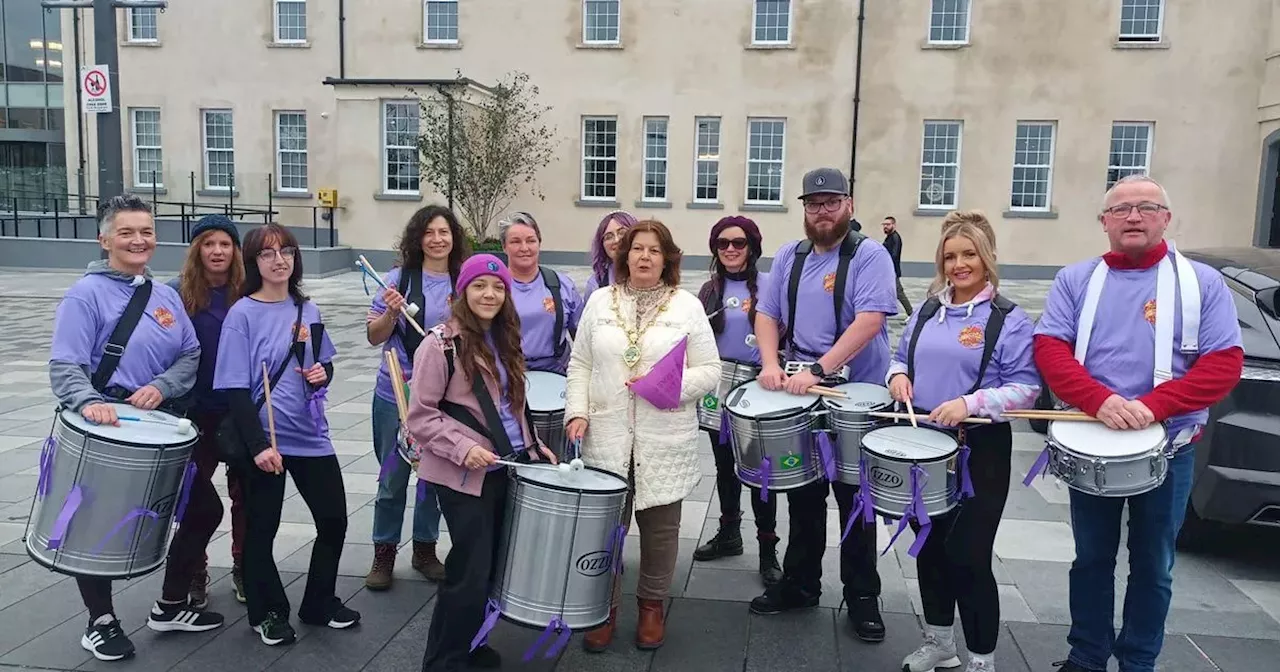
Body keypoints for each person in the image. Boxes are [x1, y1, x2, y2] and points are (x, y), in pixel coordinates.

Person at [1033, 174, 1243, 672]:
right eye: (1121, 209)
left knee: (1154, 566)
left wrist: (1155, 406)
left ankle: (1138, 660)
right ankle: (1086, 654)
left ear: (1166, 219)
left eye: (1147, 207)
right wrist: (1099, 400)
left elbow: (1224, 362)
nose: (1133, 216)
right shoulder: (1076, 279)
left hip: (1169, 446)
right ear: (1104, 222)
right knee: (1090, 559)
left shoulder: (1202, 283)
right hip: (1092, 441)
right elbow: (1050, 348)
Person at [48, 195, 225, 662]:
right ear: (104, 239)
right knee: (96, 525)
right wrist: (89, 401)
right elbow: (64, 365)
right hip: (105, 424)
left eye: (145, 231)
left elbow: (190, 354)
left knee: (204, 510)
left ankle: (170, 605)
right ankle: (100, 622)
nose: (138, 240)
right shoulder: (84, 295)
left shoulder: (164, 295)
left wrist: (162, 386)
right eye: (126, 232)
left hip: (158, 423)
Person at [888, 212, 1041, 672]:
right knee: (930, 548)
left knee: (970, 556)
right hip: (923, 446)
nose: (959, 264)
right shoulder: (928, 308)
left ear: (987, 256)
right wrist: (897, 377)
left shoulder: (1009, 319)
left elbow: (1025, 387)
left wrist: (970, 402)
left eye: (969, 254)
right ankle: (940, 643)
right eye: (950, 255)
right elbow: (899, 356)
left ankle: (981, 659)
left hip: (980, 450)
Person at [751, 167, 899, 643]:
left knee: (857, 499)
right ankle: (800, 584)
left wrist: (819, 370)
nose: (822, 212)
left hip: (857, 392)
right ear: (804, 209)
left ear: (849, 205)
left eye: (831, 202)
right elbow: (767, 313)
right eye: (814, 204)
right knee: (803, 490)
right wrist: (771, 362)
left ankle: (861, 596)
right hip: (801, 392)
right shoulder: (788, 257)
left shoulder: (870, 256)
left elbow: (870, 321)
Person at [566, 219, 720, 652]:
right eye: (637, 249)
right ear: (624, 255)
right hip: (608, 433)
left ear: (666, 258)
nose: (645, 257)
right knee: (605, 529)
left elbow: (710, 370)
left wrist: (667, 387)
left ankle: (651, 606)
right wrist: (576, 411)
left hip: (664, 435)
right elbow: (580, 364)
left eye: (654, 250)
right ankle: (604, 608)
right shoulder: (599, 302)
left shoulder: (687, 306)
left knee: (660, 531)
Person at [407, 254, 558, 671]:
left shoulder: (507, 337)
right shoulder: (439, 344)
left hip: (506, 466)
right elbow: (420, 416)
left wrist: (533, 447)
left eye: (498, 287)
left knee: (492, 567)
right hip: (461, 475)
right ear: (463, 292)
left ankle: (473, 645)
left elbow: (512, 407)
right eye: (479, 286)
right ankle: (444, 661)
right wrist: (462, 449)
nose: (489, 294)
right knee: (468, 573)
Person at [214, 224, 360, 647]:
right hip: (266, 440)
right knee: (262, 529)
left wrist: (321, 374)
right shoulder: (241, 315)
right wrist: (258, 447)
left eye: (287, 252)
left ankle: (319, 602)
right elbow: (235, 389)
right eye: (267, 253)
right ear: (253, 262)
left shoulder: (306, 309)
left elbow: (323, 362)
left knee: (333, 521)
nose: (279, 260)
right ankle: (268, 612)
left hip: (311, 434)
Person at [365, 205, 469, 589]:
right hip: (396, 391)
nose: (438, 239)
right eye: (429, 232)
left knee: (433, 476)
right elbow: (374, 335)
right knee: (392, 476)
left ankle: (425, 548)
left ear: (454, 237)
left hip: (444, 397)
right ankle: (384, 550)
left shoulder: (464, 281)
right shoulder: (397, 280)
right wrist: (391, 314)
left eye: (444, 231)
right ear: (418, 238)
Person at [690, 215, 781, 586]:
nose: (730, 249)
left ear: (752, 247)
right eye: (722, 243)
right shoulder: (708, 291)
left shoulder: (770, 287)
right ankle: (730, 533)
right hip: (718, 384)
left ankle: (768, 549)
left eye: (738, 243)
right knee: (724, 464)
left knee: (760, 472)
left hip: (756, 387)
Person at [167, 214, 246, 608]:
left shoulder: (249, 292)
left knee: (245, 494)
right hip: (192, 413)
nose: (217, 251)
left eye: (225, 244)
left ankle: (243, 566)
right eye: (208, 243)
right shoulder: (174, 294)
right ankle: (194, 571)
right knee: (193, 500)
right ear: (196, 249)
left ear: (236, 250)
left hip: (239, 411)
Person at [499, 211, 584, 374]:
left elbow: (583, 337)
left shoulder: (561, 285)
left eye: (531, 241)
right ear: (504, 246)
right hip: (507, 374)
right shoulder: (495, 287)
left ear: (539, 243)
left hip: (556, 374)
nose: (524, 248)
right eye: (515, 242)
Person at [583, 210, 639, 296]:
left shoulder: (651, 275)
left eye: (622, 233)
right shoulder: (595, 284)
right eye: (608, 237)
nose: (616, 240)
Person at [881, 215, 913, 316]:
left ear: (894, 225)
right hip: (888, 269)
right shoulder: (889, 237)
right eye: (884, 224)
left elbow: (894, 254)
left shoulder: (895, 238)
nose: (885, 226)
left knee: (899, 292)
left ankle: (911, 313)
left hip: (892, 270)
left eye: (888, 224)